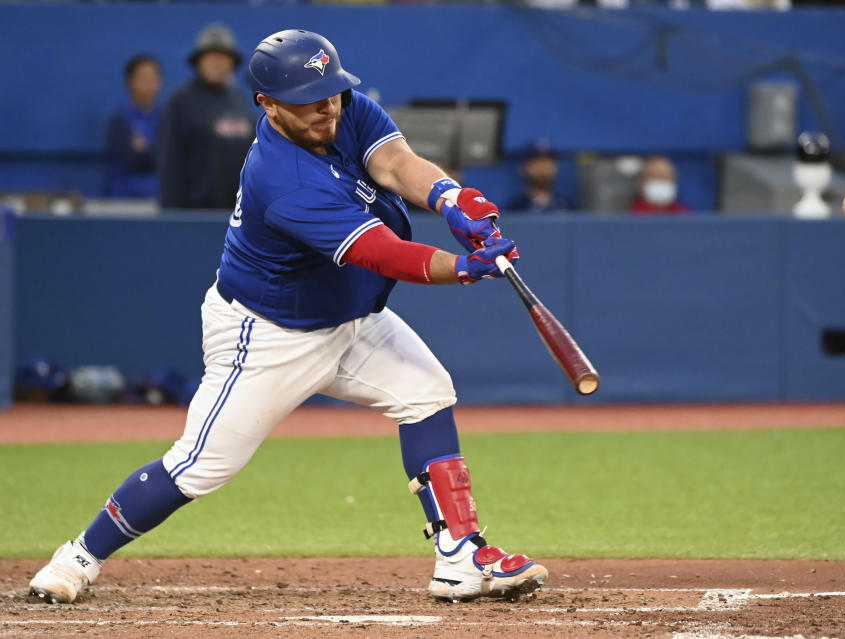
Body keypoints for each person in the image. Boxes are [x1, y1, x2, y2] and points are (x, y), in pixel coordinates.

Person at [29, 29, 545, 606]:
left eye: (331, 93)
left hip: (346, 318)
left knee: (426, 391)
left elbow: (397, 164)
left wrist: (452, 197)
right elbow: (382, 253)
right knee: (200, 467)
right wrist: (464, 266)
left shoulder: (340, 105)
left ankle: (460, 553)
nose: (327, 109)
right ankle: (77, 556)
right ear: (268, 104)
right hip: (268, 334)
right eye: (309, 100)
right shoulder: (283, 179)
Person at [158, 24, 256, 209]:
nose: (217, 62)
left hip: (236, 216)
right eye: (210, 56)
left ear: (232, 63)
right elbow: (169, 166)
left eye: (223, 56)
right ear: (198, 62)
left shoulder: (240, 101)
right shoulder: (180, 103)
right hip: (193, 214)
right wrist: (170, 218)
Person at [105, 55, 163, 199]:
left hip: (161, 199)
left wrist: (148, 151)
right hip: (125, 201)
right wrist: (160, 152)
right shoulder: (119, 120)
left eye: (153, 77)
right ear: (129, 82)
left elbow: (176, 159)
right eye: (143, 77)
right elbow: (134, 160)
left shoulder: (167, 117)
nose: (149, 83)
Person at [506, 139, 570, 212]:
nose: (543, 167)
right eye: (537, 162)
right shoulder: (515, 209)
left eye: (548, 162)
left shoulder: (567, 206)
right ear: (523, 167)